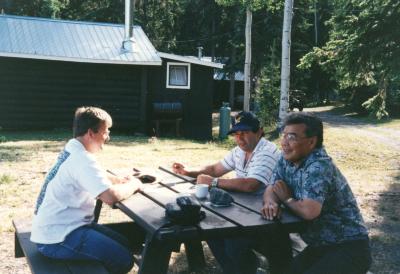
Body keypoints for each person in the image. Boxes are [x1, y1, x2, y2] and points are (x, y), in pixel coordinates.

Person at [173, 111, 290, 274]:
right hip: (246, 211)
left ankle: (247, 268)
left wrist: (212, 182)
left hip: (267, 216)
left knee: (230, 238)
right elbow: (215, 169)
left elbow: (251, 185)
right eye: (236, 134)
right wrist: (188, 171)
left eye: (245, 133)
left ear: (259, 131)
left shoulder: (267, 151)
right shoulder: (240, 150)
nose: (240, 138)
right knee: (210, 228)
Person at [31, 106, 142, 274]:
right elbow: (110, 197)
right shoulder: (82, 159)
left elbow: (92, 175)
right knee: (123, 259)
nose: (108, 137)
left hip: (55, 229)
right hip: (56, 239)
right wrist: (134, 184)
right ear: (91, 133)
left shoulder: (73, 150)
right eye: (105, 132)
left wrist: (118, 180)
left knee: (124, 243)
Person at [261, 112, 372, 274]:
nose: (284, 142)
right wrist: (271, 202)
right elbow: (272, 187)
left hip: (349, 248)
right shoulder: (287, 158)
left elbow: (309, 211)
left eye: (291, 137)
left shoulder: (318, 166)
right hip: (320, 246)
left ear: (312, 141)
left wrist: (286, 198)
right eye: (283, 135)